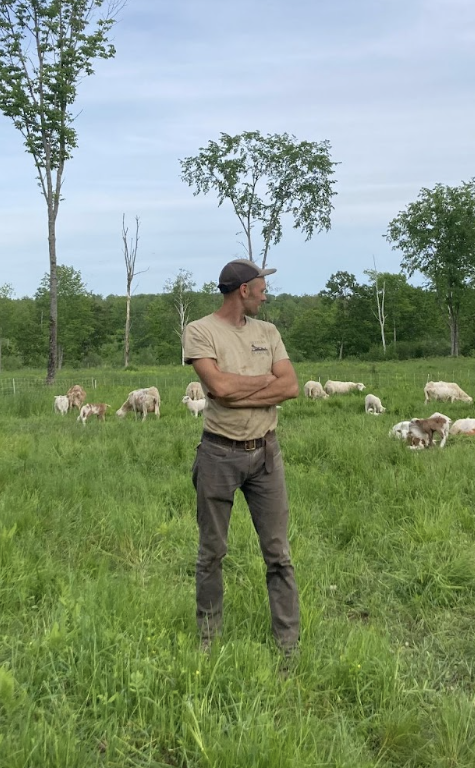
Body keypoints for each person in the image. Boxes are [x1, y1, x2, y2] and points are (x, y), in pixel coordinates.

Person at [182, 258, 300, 653]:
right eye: (261, 285)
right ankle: (208, 640)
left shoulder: (268, 331)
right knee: (211, 552)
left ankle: (288, 644)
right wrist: (264, 381)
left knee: (279, 554)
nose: (266, 292)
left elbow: (291, 387)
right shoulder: (200, 331)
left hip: (267, 454)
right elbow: (216, 387)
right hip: (219, 455)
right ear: (243, 290)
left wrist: (237, 390)